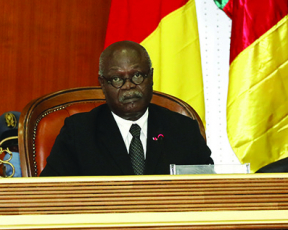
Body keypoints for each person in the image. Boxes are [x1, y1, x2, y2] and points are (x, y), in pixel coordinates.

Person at [40, 41, 212, 176]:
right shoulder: (78, 133)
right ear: (102, 84)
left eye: (137, 75)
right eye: (117, 79)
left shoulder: (183, 130)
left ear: (151, 77)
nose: (129, 86)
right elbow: (51, 196)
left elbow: (208, 193)